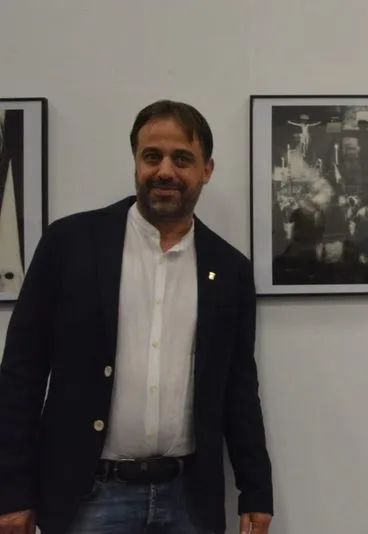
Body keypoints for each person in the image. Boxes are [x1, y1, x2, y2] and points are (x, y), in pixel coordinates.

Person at [0, 100, 274, 534]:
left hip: (188, 500)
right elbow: (21, 374)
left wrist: (256, 490)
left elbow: (239, 388)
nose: (165, 171)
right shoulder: (69, 245)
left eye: (182, 158)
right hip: (88, 497)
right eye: (152, 156)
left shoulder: (231, 270)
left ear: (207, 170)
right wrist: (11, 492)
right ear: (136, 162)